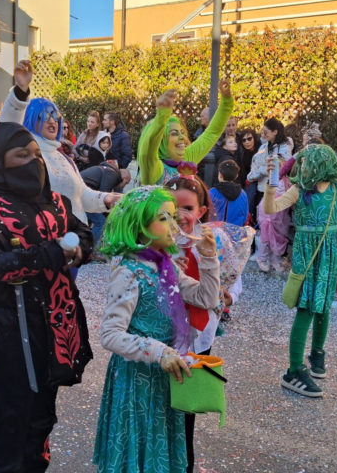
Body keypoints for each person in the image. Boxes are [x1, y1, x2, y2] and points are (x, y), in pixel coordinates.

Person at [0, 122, 93, 472]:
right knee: (10, 419)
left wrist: (78, 249)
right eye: (22, 155)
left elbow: (83, 233)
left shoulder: (55, 203)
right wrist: (44, 255)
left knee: (42, 416)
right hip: (8, 327)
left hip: (55, 323)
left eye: (37, 154)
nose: (34, 162)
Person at [93, 186, 220, 473]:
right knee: (137, 449)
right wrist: (159, 351)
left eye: (173, 217)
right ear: (139, 226)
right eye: (164, 218)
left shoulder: (165, 265)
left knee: (158, 449)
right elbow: (110, 334)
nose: (175, 225)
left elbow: (206, 299)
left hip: (164, 373)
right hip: (137, 379)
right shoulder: (129, 272)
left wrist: (209, 258)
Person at [264, 145, 337, 397]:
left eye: (305, 163)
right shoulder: (299, 189)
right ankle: (294, 368)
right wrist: (271, 185)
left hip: (329, 252)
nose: (301, 167)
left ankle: (317, 354)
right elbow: (271, 209)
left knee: (323, 304)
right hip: (307, 253)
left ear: (318, 165)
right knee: (306, 307)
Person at [164, 171, 236, 472]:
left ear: (202, 210)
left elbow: (233, 278)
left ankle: (184, 464)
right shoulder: (157, 236)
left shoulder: (213, 238)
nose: (180, 215)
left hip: (198, 334)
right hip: (162, 334)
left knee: (185, 409)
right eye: (173, 207)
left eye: (188, 208)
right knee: (161, 405)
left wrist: (228, 294)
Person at [0, 60, 120, 227]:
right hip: (46, 238)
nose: (52, 121)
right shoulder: (24, 155)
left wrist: (106, 199)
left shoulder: (64, 158)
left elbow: (81, 195)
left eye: (55, 116)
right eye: (44, 116)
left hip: (77, 237)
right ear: (30, 118)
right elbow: (7, 129)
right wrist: (20, 91)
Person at [138, 81, 233, 186]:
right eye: (174, 133)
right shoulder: (152, 167)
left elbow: (212, 133)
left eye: (182, 132)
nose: (182, 137)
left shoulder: (188, 157)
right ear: (161, 140)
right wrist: (162, 116)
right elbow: (148, 149)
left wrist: (226, 102)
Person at [81, 154, 131, 251]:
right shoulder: (112, 174)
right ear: (124, 178)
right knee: (101, 223)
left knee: (91, 221)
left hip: (82, 193)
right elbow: (103, 196)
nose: (123, 186)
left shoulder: (108, 171)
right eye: (126, 183)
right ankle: (89, 250)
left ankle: (84, 244)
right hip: (83, 195)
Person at [247, 118, 291, 213]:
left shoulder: (285, 148)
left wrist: (262, 169)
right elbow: (255, 167)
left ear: (275, 132)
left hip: (277, 191)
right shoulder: (263, 147)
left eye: (266, 132)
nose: (263, 134)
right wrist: (263, 170)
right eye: (262, 131)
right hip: (261, 189)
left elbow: (280, 168)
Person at [210, 159, 249, 226]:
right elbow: (245, 217)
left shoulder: (212, 193)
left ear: (220, 174)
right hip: (236, 230)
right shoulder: (243, 194)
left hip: (216, 230)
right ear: (236, 176)